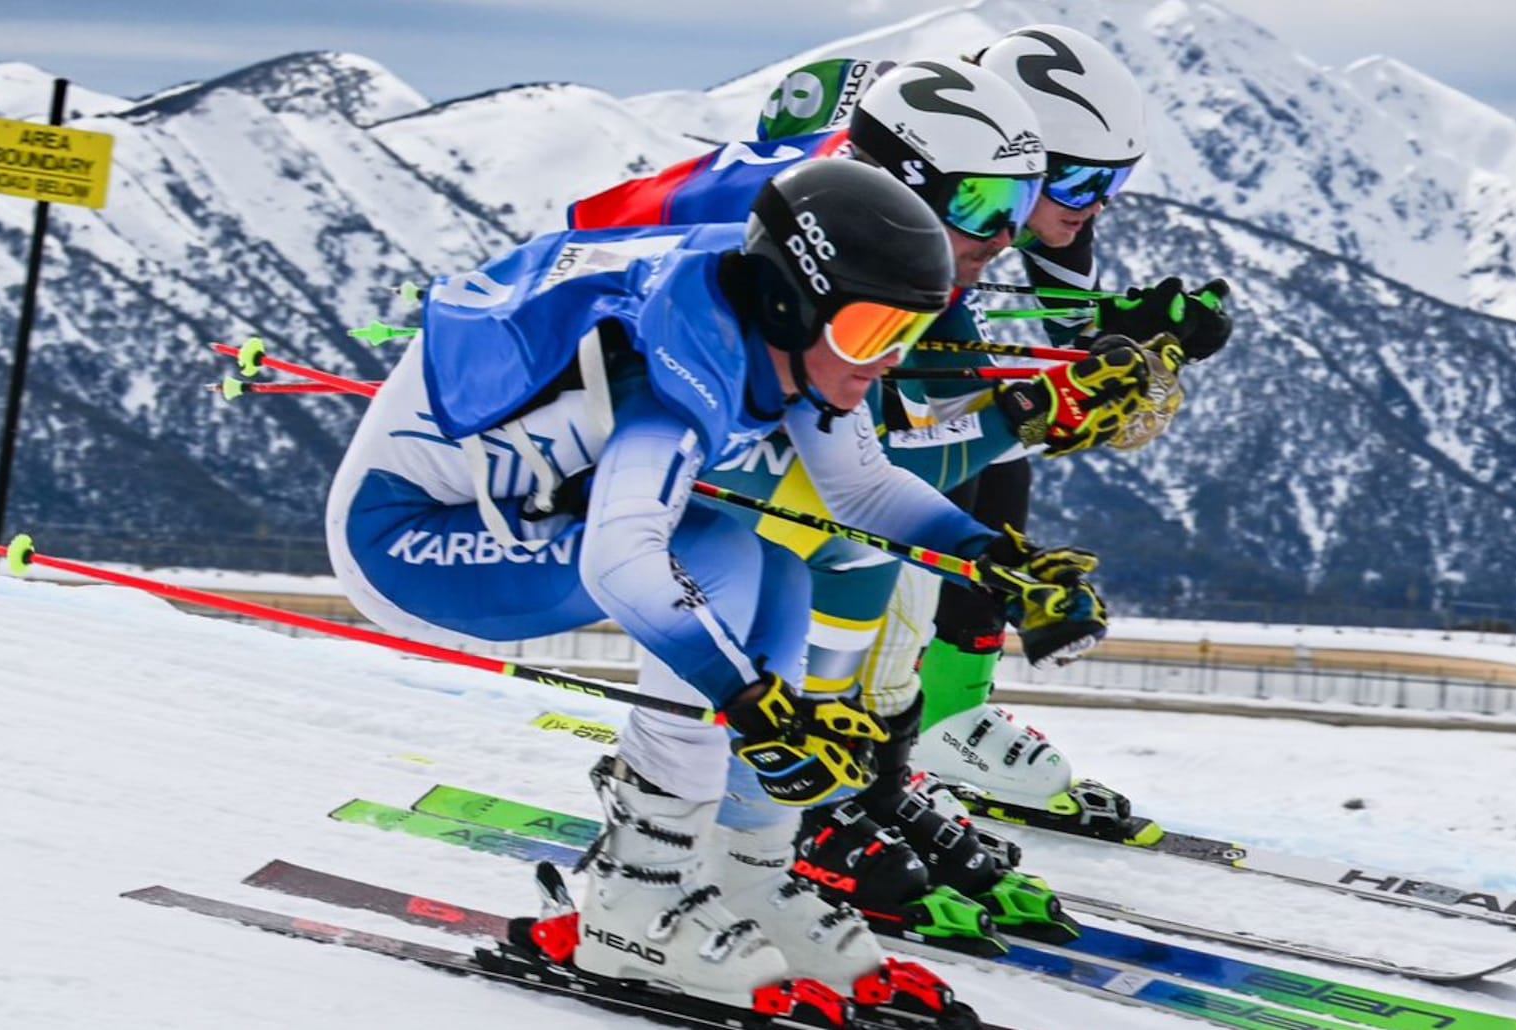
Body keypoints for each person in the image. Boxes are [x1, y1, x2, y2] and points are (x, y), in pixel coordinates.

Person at [324, 159, 1105, 1018]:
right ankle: (637, 894)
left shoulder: (796, 331)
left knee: (773, 567)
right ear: (791, 302)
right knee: (721, 564)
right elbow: (620, 563)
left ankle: (747, 873)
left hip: (516, 516)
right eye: (874, 331)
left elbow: (860, 487)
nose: (885, 364)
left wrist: (991, 553)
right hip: (410, 540)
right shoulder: (676, 366)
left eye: (905, 338)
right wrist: (751, 703)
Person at [557, 58, 1156, 941]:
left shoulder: (897, 226)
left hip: (694, 384)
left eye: (1029, 203)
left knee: (868, 530)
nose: (1018, 231)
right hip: (634, 409)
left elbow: (905, 446)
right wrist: (1028, 414)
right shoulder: (839, 237)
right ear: (916, 184)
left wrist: (1045, 404)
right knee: (819, 537)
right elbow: (879, 456)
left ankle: (844, 780)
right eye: (998, 209)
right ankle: (753, 804)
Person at [906, 25, 1236, 833]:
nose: (1100, 204)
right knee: (929, 470)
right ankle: (872, 706)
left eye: (1114, 180)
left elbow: (1065, 352)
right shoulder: (933, 204)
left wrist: (1150, 333)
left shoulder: (1024, 205)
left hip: (905, 289)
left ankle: (944, 717)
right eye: (1083, 181)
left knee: (996, 462)